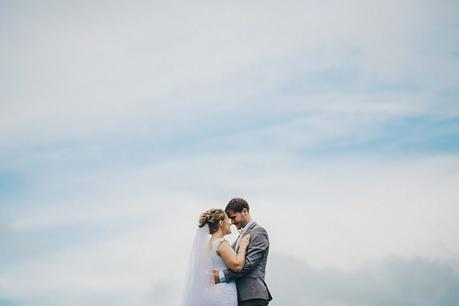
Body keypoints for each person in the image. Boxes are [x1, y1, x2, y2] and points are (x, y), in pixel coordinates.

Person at [182, 208, 250, 306]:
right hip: (223, 295)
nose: (230, 223)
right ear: (221, 223)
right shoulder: (221, 243)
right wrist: (243, 246)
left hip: (211, 293)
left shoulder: (207, 246)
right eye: (227, 220)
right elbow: (237, 265)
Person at [214, 198, 273, 306]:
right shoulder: (240, 237)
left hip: (252, 296)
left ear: (244, 211)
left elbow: (248, 264)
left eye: (233, 217)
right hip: (240, 297)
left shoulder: (259, 232)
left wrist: (221, 276)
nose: (232, 222)